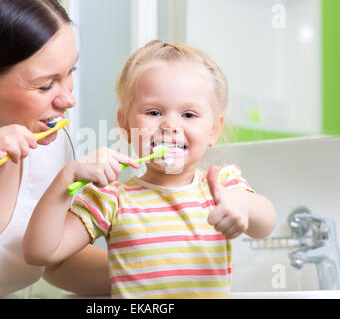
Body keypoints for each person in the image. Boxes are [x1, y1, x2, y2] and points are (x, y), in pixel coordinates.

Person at [23, 40, 277, 299]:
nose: (169, 125)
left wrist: (242, 205)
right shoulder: (111, 198)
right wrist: (67, 178)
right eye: (154, 112)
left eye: (189, 115)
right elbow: (41, 253)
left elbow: (265, 225)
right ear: (125, 123)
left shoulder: (222, 186)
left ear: (214, 130)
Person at [0, 0, 139, 299]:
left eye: (70, 71)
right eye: (46, 85)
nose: (68, 100)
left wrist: (161, 268)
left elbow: (55, 263)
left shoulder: (50, 146)